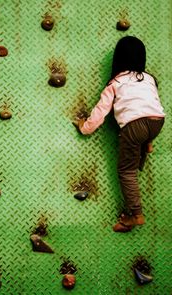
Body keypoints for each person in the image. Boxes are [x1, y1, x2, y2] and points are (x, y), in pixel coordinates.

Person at [75, 36, 165, 233]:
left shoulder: (116, 82)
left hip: (134, 126)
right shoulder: (149, 78)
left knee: (127, 171)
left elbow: (100, 112)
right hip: (157, 121)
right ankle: (147, 144)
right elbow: (149, 104)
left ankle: (135, 214)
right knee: (142, 134)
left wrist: (85, 127)